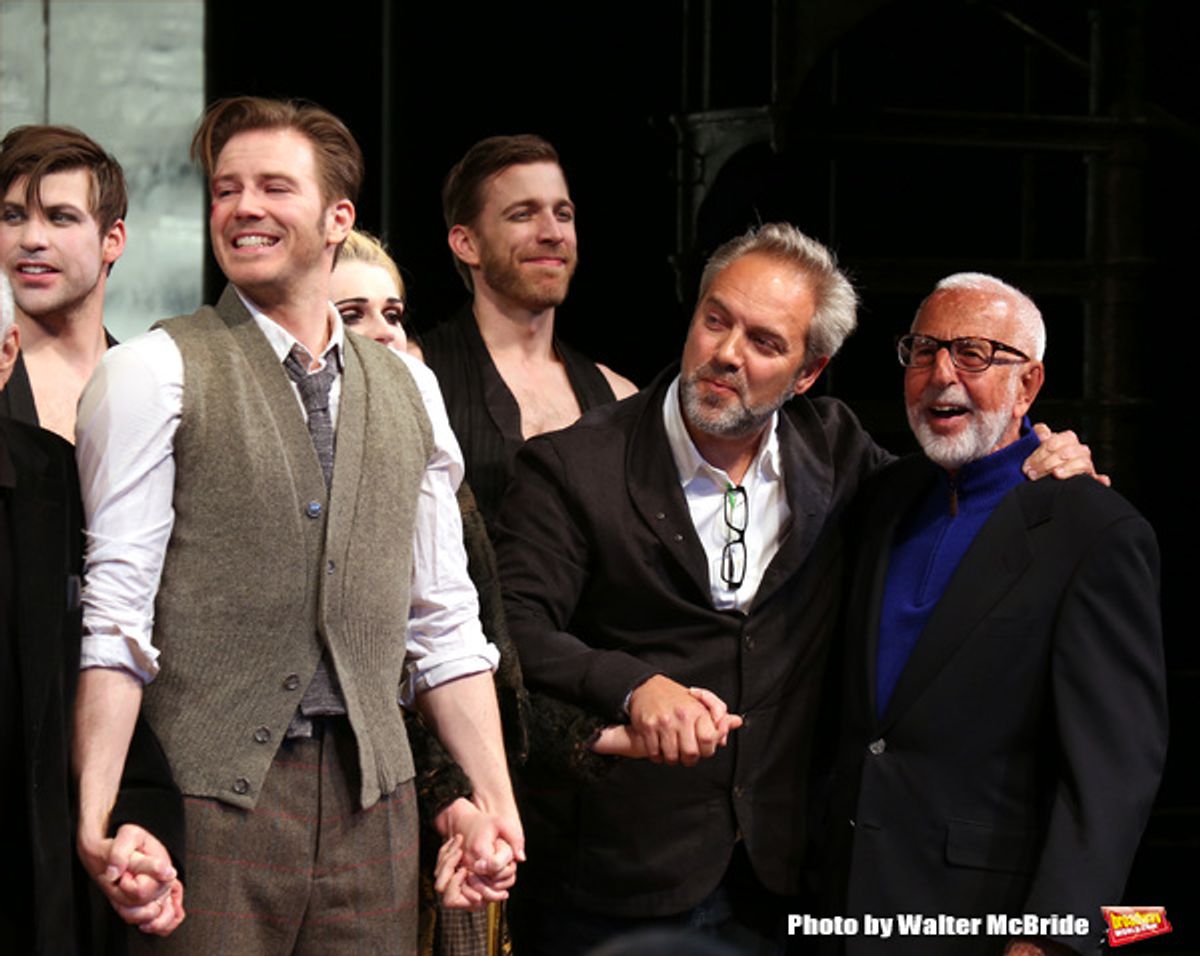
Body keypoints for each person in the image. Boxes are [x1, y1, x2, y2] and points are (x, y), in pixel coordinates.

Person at [494, 224, 1098, 956]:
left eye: (764, 342)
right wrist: (631, 684)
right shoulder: (572, 466)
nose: (725, 354)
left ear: (809, 371)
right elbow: (511, 629)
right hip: (618, 879)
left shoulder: (839, 452)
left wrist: (1045, 452)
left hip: (788, 883)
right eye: (715, 320)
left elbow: (960, 478)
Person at [72, 96, 521, 955]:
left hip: (374, 811)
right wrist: (99, 810)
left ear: (336, 220)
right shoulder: (154, 372)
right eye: (225, 190)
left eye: (274, 186)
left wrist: (493, 805)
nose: (243, 207)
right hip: (211, 802)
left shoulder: (411, 392)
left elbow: (445, 625)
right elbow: (115, 613)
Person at [823, 274, 1166, 956]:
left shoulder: (1094, 530)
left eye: (973, 353)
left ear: (1029, 385)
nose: (941, 374)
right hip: (838, 903)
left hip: (984, 918)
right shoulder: (879, 499)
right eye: (922, 351)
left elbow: (1114, 770)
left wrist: (1056, 935)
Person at [332, 229, 529, 955]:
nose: (382, 331)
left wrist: (490, 805)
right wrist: (457, 801)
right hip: (342, 799)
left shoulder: (424, 433)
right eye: (352, 313)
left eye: (393, 313)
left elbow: (450, 632)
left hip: (425, 796)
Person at [421, 133, 636, 526]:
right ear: (467, 243)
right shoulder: (415, 375)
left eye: (563, 214)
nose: (552, 233)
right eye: (523, 214)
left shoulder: (620, 398)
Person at [0, 124, 126, 441]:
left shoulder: (152, 385)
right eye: (13, 217)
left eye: (60, 217)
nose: (32, 240)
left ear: (112, 240)